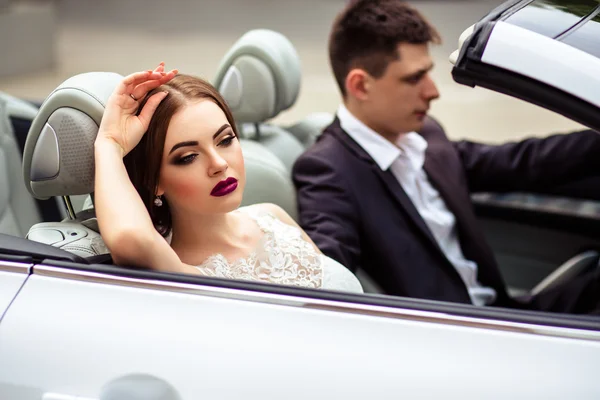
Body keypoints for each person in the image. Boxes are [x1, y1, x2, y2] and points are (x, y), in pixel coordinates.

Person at [292, 0, 600, 313]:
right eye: (414, 78)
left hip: (502, 311)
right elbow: (328, 273)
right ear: (360, 85)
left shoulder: (424, 133)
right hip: (463, 336)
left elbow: (518, 162)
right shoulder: (327, 169)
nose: (432, 91)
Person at [93, 63, 363, 294]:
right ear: (155, 182)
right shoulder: (181, 271)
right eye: (188, 157)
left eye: (225, 140)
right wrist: (109, 143)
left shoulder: (272, 217)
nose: (219, 164)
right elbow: (130, 239)